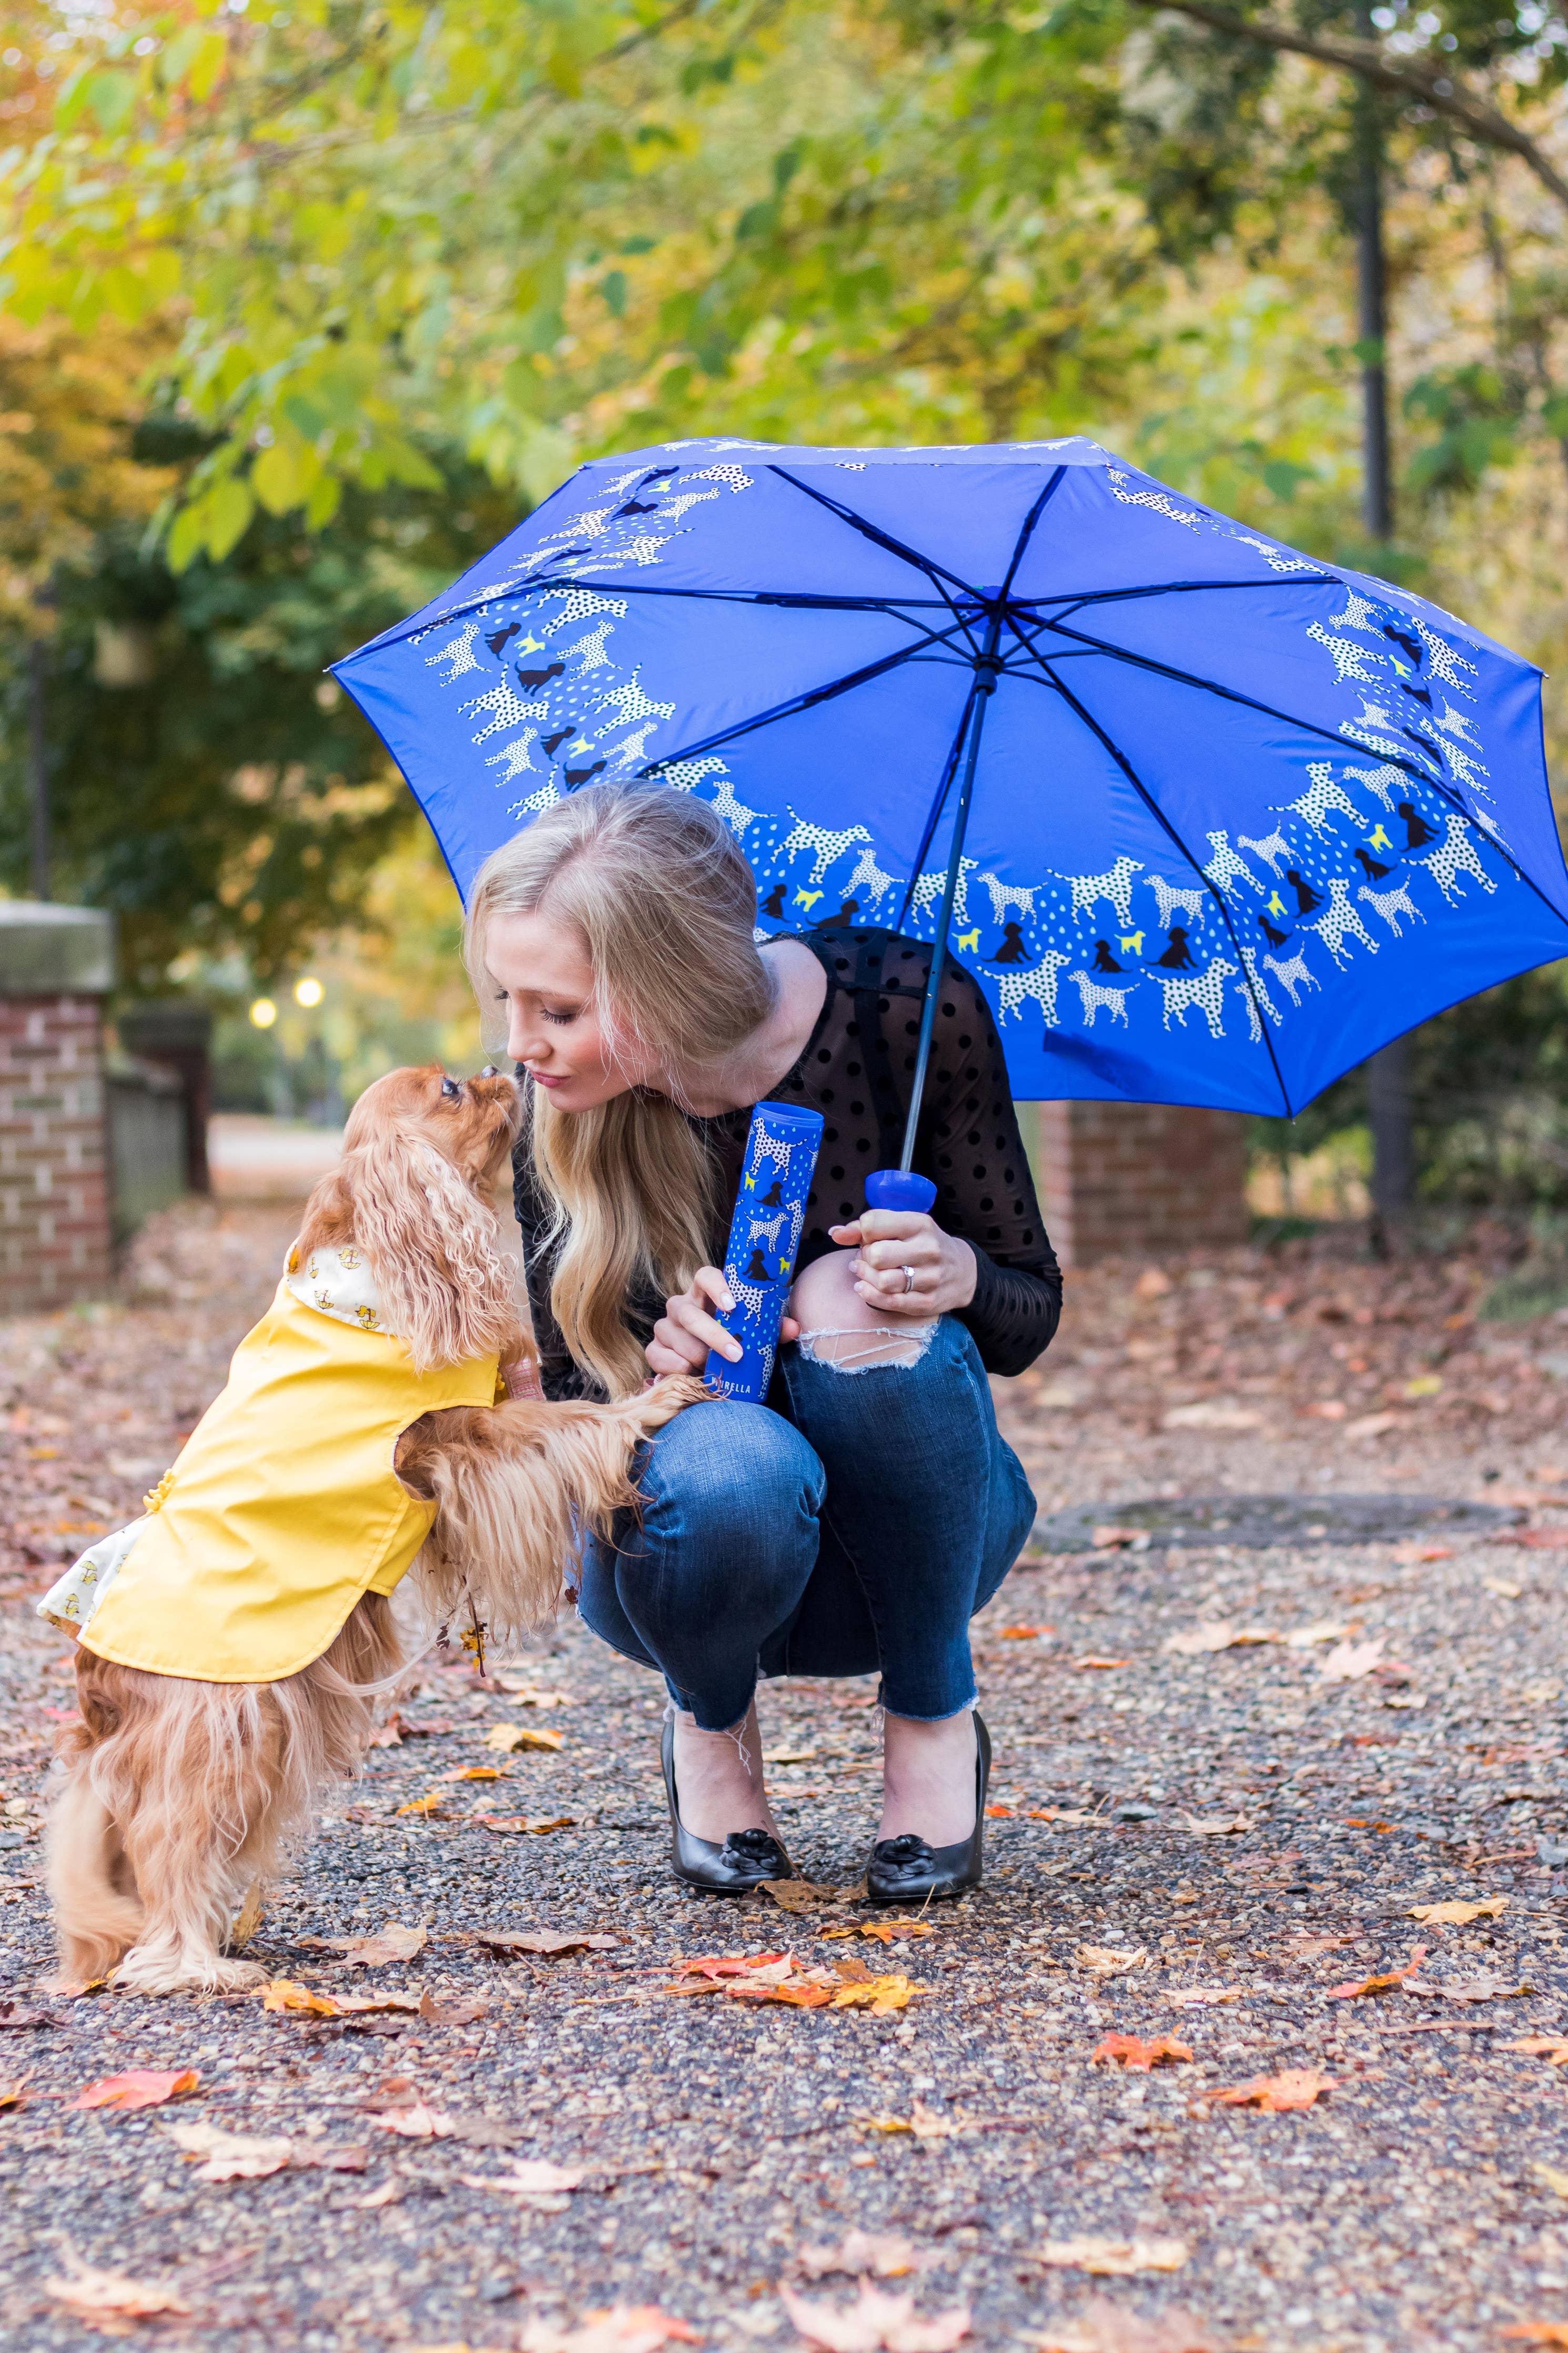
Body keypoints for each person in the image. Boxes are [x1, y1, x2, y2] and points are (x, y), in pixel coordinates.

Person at [464, 785, 1062, 1901]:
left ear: (668, 983)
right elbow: (568, 1409)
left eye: (554, 1009)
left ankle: (935, 1720)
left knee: (851, 1284)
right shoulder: (561, 1106)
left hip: (919, 1550)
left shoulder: (907, 1015)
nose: (520, 1045)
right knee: (732, 1458)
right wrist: (654, 1369)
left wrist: (959, 1270)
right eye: (509, 1001)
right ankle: (711, 1733)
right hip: (691, 1564)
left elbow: (1030, 1312)